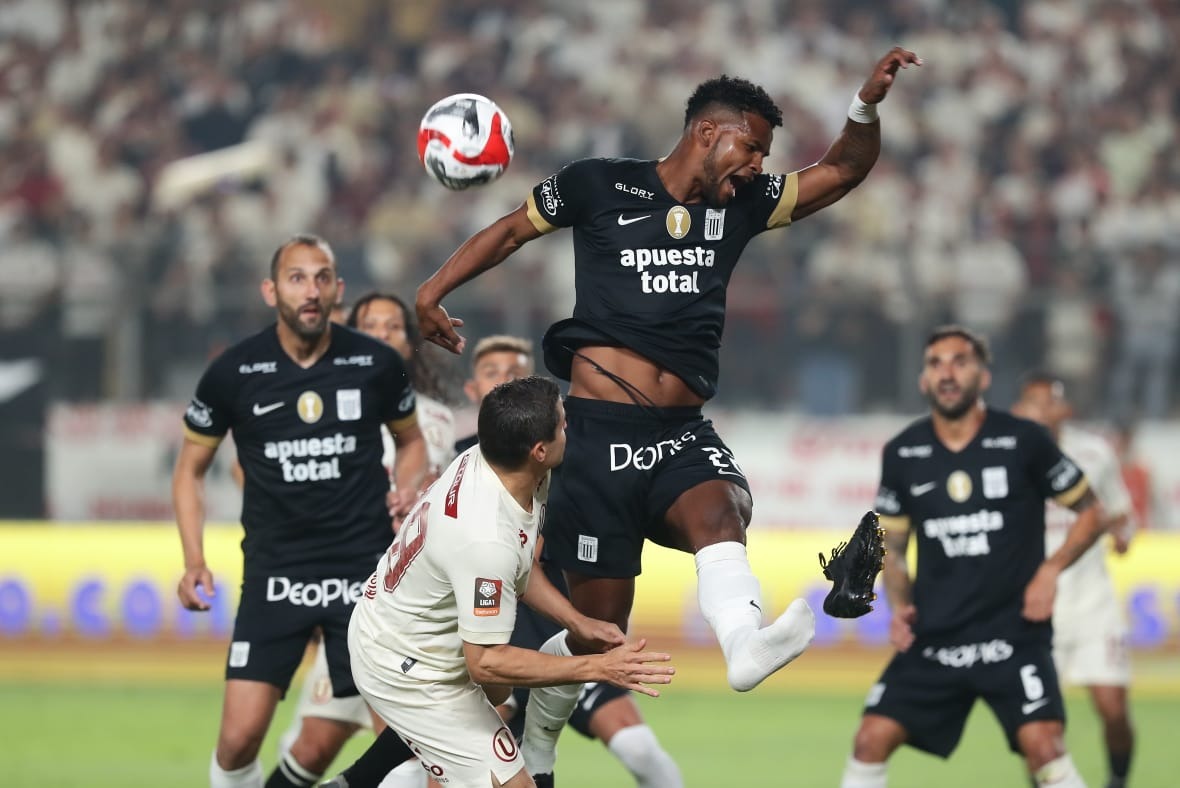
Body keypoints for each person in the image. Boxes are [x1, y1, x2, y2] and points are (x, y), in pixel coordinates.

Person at [417, 48, 922, 779]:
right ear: (706, 132)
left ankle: (744, 644)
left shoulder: (742, 205)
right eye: (751, 147)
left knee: (723, 512)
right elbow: (509, 232)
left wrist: (864, 108)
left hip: (680, 431)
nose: (757, 166)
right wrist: (434, 290)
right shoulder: (598, 185)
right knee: (601, 642)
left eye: (764, 154)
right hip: (591, 438)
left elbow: (841, 171)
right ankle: (537, 749)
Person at [173, 234, 428, 788]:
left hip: (365, 573)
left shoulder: (376, 363)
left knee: (403, 743)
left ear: (337, 289)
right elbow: (189, 470)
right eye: (296, 278)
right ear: (271, 290)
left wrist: (407, 487)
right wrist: (194, 561)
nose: (310, 291)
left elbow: (411, 444)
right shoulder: (233, 372)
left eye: (321, 278)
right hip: (276, 573)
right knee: (238, 742)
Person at [346, 375, 676, 788]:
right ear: (539, 450)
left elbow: (519, 568)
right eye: (562, 423)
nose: (568, 428)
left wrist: (577, 622)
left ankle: (355, 780)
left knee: (497, 702)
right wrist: (599, 667)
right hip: (404, 666)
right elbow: (485, 662)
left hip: (409, 630)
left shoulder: (497, 465)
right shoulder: (485, 538)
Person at [839, 326, 1105, 788]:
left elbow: (1090, 511)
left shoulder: (1025, 440)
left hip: (1013, 634)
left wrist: (1049, 571)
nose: (947, 373)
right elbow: (894, 548)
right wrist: (899, 606)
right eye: (936, 363)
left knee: (1045, 748)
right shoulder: (903, 453)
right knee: (869, 739)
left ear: (982, 376)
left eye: (960, 361)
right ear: (923, 379)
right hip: (936, 636)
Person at [277, 291, 460, 785]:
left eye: (393, 326)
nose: (382, 333)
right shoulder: (322, 405)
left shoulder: (435, 420)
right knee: (314, 746)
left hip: (408, 600)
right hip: (344, 588)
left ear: (407, 341)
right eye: (370, 325)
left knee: (406, 753)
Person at [1013, 372, 1136, 788]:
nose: (1042, 410)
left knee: (1113, 709)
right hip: (1033, 609)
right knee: (1039, 726)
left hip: (1091, 604)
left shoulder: (1094, 453)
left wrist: (1123, 534)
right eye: (1033, 402)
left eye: (1050, 402)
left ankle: (1117, 782)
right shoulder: (1004, 455)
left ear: (1066, 410)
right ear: (1019, 409)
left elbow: (1118, 512)